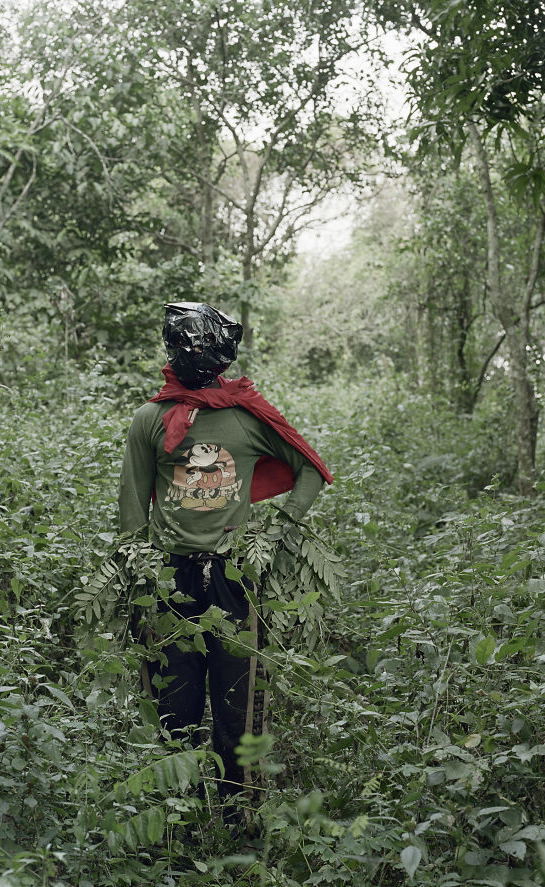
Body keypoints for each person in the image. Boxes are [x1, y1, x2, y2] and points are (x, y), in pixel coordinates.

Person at [117, 302, 333, 816]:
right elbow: (132, 510)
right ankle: (180, 818)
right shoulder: (151, 419)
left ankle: (243, 816)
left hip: (234, 575)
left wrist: (280, 529)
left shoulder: (245, 416)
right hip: (167, 577)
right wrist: (138, 577)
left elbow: (309, 467)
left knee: (239, 702)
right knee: (174, 704)